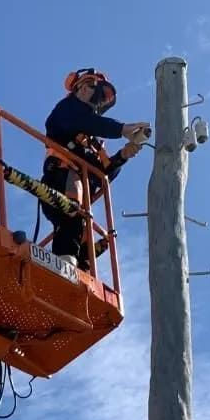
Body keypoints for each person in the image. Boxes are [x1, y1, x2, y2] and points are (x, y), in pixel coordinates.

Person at [41, 68, 150, 270]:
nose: (97, 100)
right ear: (80, 88)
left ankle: (79, 264)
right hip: (58, 181)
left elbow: (102, 174)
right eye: (94, 90)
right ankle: (64, 265)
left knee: (79, 227)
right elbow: (88, 121)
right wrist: (123, 129)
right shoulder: (65, 111)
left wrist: (123, 155)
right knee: (72, 214)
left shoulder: (91, 142)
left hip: (76, 196)